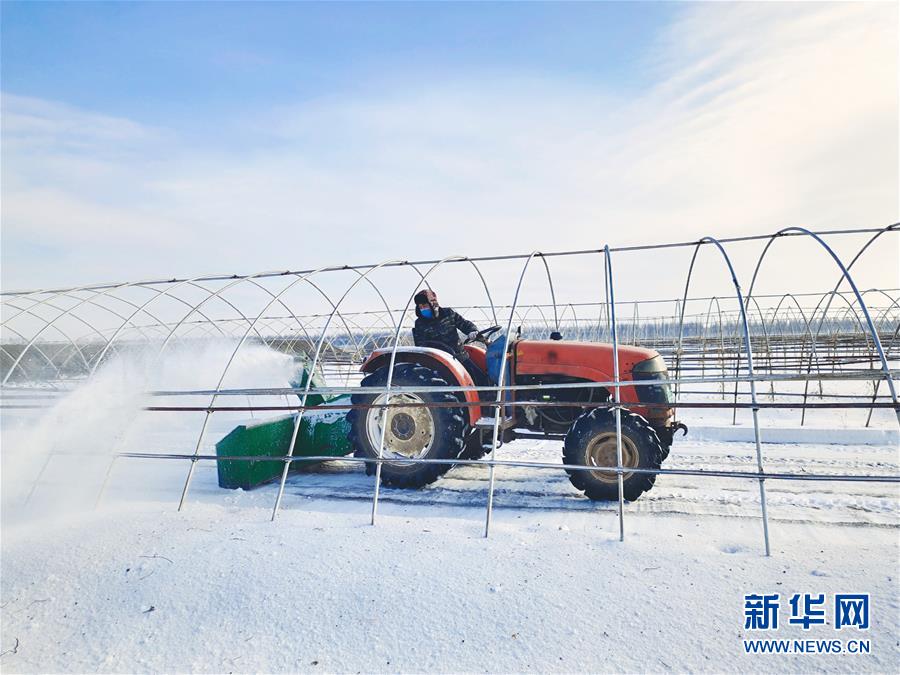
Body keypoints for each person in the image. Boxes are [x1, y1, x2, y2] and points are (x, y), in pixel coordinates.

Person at [412, 289, 492, 389]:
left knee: (480, 379)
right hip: (440, 361)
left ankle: (489, 398)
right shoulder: (420, 323)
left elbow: (464, 324)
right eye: (420, 307)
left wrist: (472, 331)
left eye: (425, 306)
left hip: (459, 356)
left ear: (433, 304)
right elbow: (421, 345)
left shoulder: (448, 313)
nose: (423, 309)